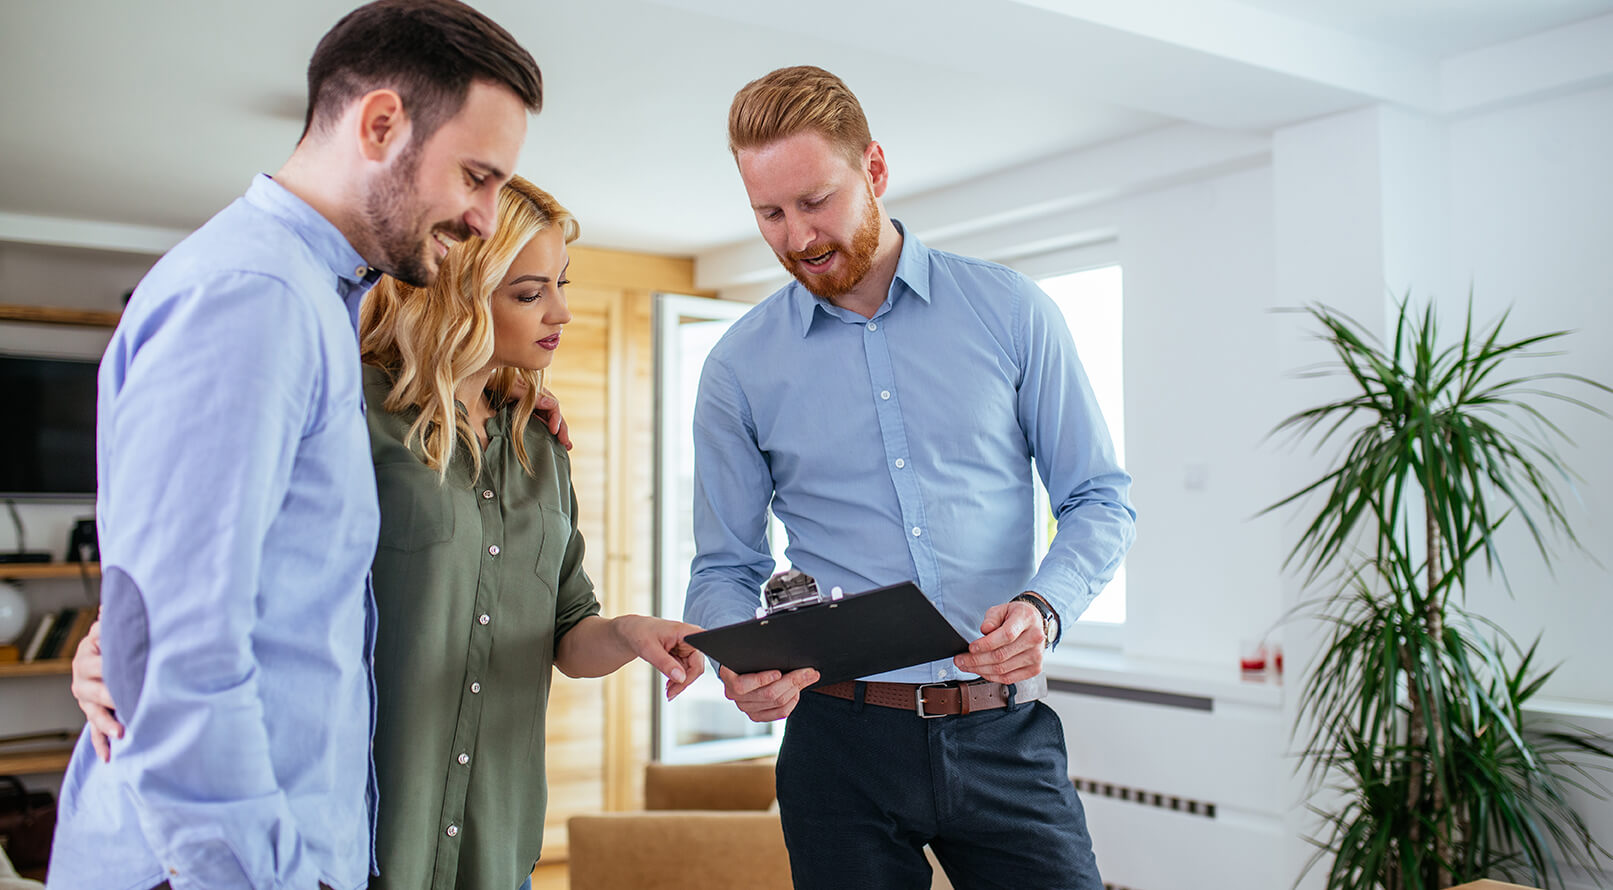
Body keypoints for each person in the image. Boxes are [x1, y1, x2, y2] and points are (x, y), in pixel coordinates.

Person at [71, 177, 707, 890]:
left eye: (559, 283)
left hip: (495, 844)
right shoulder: (348, 412)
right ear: (458, 296)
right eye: (529, 292)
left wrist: (626, 635)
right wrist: (115, 652)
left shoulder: (540, 443)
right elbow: (223, 572)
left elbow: (565, 628)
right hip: (357, 840)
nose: (560, 310)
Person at [47, 3, 543, 889]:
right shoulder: (254, 298)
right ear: (381, 123)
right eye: (476, 175)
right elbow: (177, 646)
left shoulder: (317, 301)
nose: (482, 216)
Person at [683, 66, 1136, 889]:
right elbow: (724, 565)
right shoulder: (738, 367)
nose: (796, 236)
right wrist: (736, 659)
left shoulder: (1011, 312)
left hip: (1003, 734)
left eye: (815, 200)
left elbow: (1098, 499)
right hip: (838, 745)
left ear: (875, 170)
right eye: (769, 213)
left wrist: (1045, 606)